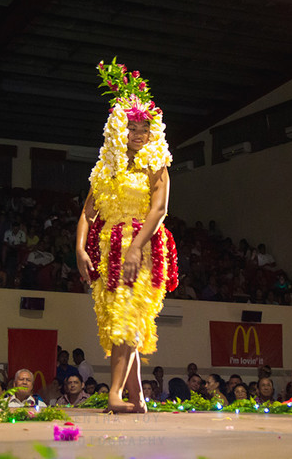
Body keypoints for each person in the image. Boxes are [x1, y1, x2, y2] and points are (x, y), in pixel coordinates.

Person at [75, 59, 177, 414]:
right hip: (107, 250)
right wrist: (79, 250)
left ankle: (115, 393)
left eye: (144, 126)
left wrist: (135, 247)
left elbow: (159, 210)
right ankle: (138, 398)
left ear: (153, 131)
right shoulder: (105, 169)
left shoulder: (157, 166)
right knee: (115, 320)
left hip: (144, 246)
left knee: (128, 318)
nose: (138, 132)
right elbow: (88, 213)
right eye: (132, 125)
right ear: (119, 129)